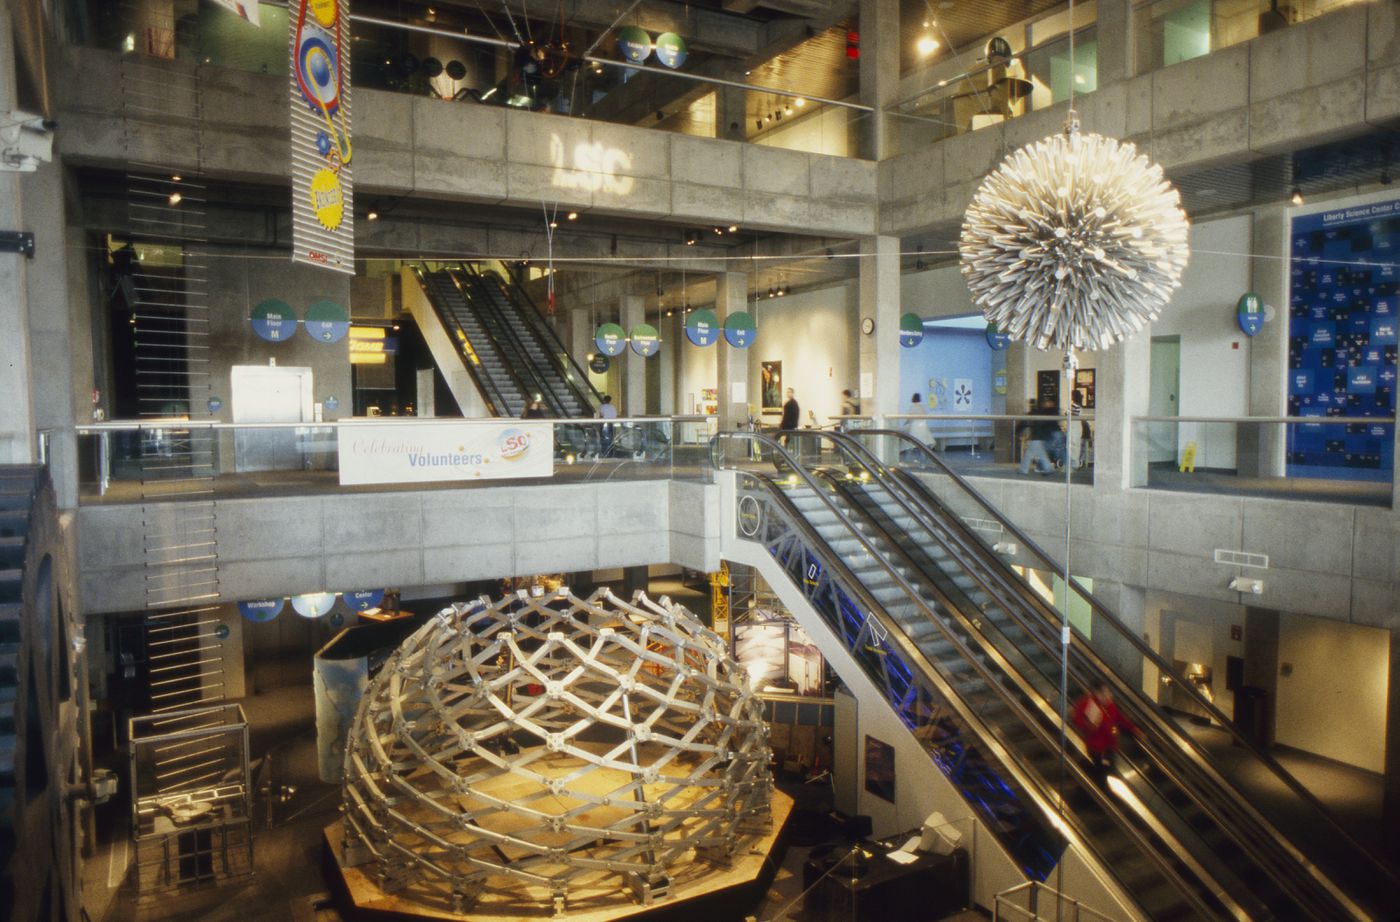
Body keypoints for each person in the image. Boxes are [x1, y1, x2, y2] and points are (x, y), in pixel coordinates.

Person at [1071, 681, 1142, 777]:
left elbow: (1120, 718)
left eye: (1108, 692)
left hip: (1111, 745)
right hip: (1096, 747)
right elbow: (1076, 718)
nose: (1109, 696)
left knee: (1108, 769)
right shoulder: (1087, 704)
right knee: (1104, 771)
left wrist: (1134, 729)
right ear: (1096, 693)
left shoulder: (1110, 705)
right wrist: (1087, 725)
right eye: (1104, 693)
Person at [1019, 397, 1061, 475]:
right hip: (1041, 436)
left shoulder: (1031, 413)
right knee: (1040, 454)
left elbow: (1023, 424)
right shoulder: (1041, 413)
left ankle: (1023, 470)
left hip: (1036, 437)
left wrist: (1017, 431)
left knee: (1030, 454)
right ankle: (1048, 469)